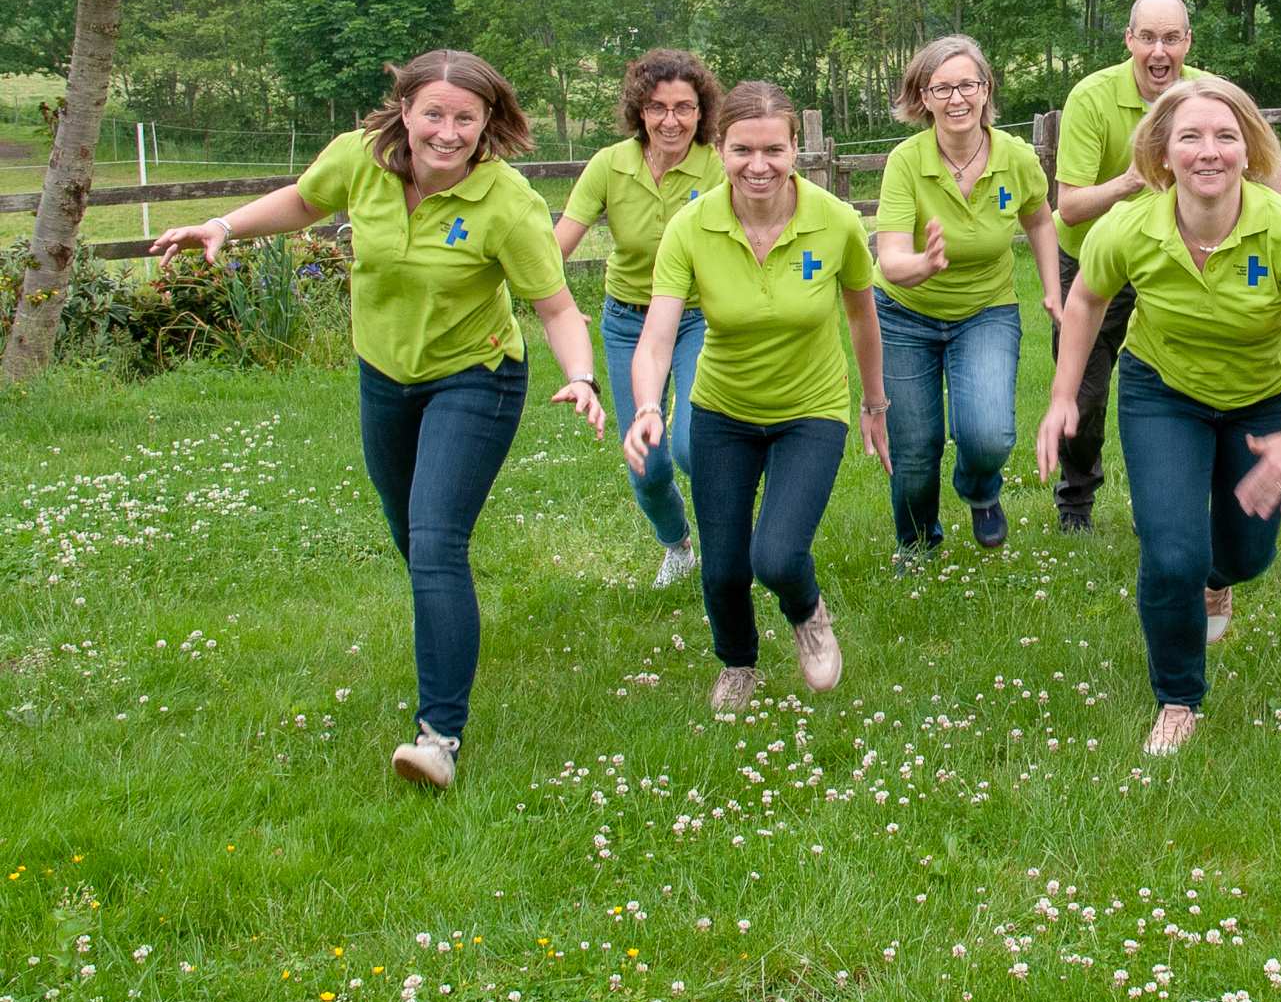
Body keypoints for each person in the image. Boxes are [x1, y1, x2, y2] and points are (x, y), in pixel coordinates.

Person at [151, 50, 606, 790]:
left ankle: (439, 738)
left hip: (476, 376)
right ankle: (446, 622)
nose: (448, 132)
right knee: (411, 535)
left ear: (489, 122)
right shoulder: (359, 161)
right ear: (405, 110)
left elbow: (554, 307)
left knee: (434, 543)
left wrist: (582, 377)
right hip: (385, 376)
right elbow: (303, 202)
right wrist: (224, 224)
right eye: (434, 113)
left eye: (466, 118)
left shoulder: (508, 202)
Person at [1035, 76, 1281, 756]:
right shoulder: (1130, 225)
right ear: (1162, 155)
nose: (1209, 151)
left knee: (1243, 554)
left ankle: (1218, 583)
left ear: (1248, 151)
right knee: (1172, 551)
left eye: (1225, 136)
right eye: (1190, 137)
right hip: (1164, 393)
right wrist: (1064, 395)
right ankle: (1179, 698)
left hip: (1268, 396)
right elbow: (1087, 300)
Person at [624, 81, 890, 714]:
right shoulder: (692, 226)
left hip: (810, 410)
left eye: (774, 149)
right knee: (722, 570)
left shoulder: (835, 221)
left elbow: (862, 317)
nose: (759, 165)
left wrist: (874, 405)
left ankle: (807, 611)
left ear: (797, 148)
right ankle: (738, 664)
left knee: (774, 555)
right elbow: (658, 334)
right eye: (742, 149)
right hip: (722, 410)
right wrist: (647, 406)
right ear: (720, 149)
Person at [872, 35, 1061, 557]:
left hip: (986, 310)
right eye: (942, 88)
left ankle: (980, 490)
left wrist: (1052, 291)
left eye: (968, 85)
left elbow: (1040, 219)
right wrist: (923, 264)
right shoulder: (906, 162)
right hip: (904, 314)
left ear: (985, 91)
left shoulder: (1016, 158)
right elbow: (889, 258)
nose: (957, 99)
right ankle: (917, 545)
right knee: (915, 450)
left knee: (989, 436)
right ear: (923, 97)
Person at [556, 49, 725, 587]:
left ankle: (730, 543)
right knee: (647, 464)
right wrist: (552, 300)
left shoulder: (719, 168)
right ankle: (677, 545)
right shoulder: (610, 164)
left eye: (684, 107)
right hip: (628, 320)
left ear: (702, 112)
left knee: (693, 444)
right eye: (657, 107)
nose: (670, 120)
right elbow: (556, 245)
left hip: (700, 318)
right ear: (639, 110)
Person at [1046, 0, 1212, 532]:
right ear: (1129, 40)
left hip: (1174, 261)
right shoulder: (1091, 97)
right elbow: (1068, 208)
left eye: (1171, 38)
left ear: (1187, 41)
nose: (1159, 51)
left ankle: (1172, 499)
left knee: (1184, 383)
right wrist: (1131, 181)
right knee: (1085, 395)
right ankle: (1076, 501)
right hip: (1096, 263)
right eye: (1148, 38)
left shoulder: (1205, 95)